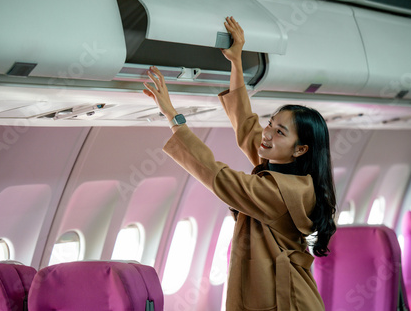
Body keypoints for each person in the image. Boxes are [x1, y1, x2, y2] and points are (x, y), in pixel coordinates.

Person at [143, 16, 336, 311]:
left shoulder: (278, 191)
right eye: (270, 124)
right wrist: (236, 62)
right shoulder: (292, 175)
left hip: (287, 302)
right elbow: (247, 126)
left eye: (279, 132)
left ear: (300, 149)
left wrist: (172, 116)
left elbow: (218, 177)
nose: (267, 133)